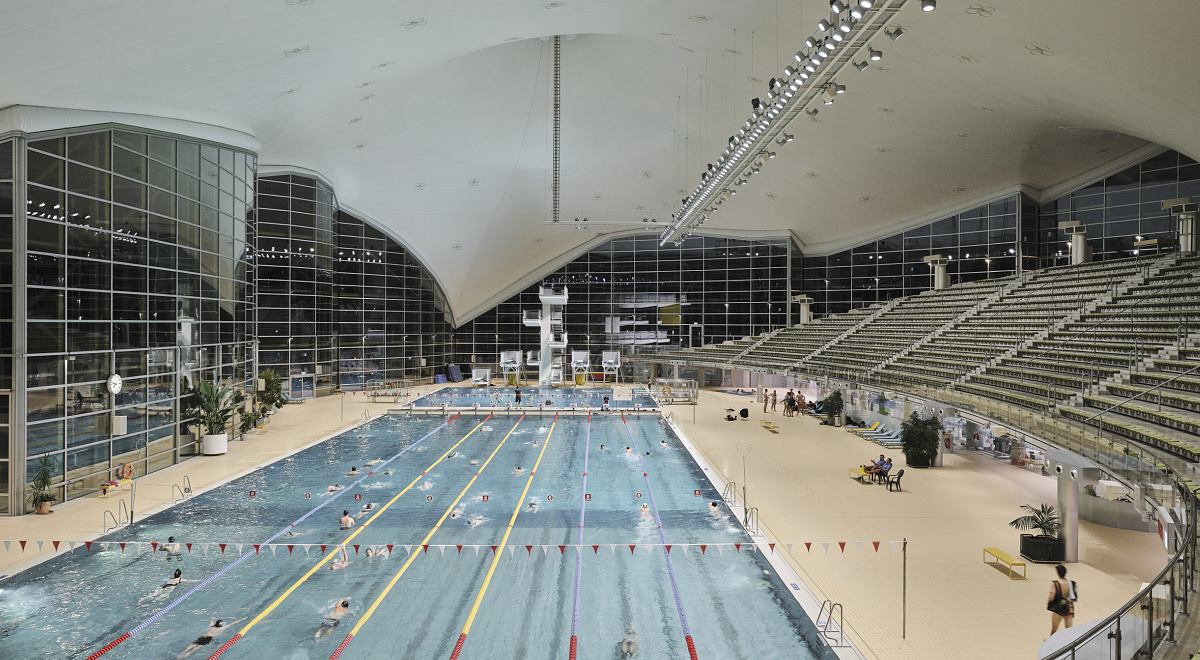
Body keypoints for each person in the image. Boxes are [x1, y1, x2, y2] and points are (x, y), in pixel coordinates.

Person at [178, 617, 245, 658]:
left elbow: (210, 623)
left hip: (204, 636)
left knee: (193, 644)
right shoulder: (222, 628)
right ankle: (187, 654)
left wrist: (212, 619)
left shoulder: (212, 626)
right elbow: (232, 623)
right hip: (209, 638)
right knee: (198, 647)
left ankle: (183, 653)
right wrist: (241, 619)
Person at [1048, 564, 1077, 635]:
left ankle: (1050, 644)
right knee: (1069, 630)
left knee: (1054, 628)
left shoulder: (1055, 583)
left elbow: (1051, 598)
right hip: (1069, 607)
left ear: (1058, 573)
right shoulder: (1071, 583)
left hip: (1059, 608)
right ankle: (1068, 645)